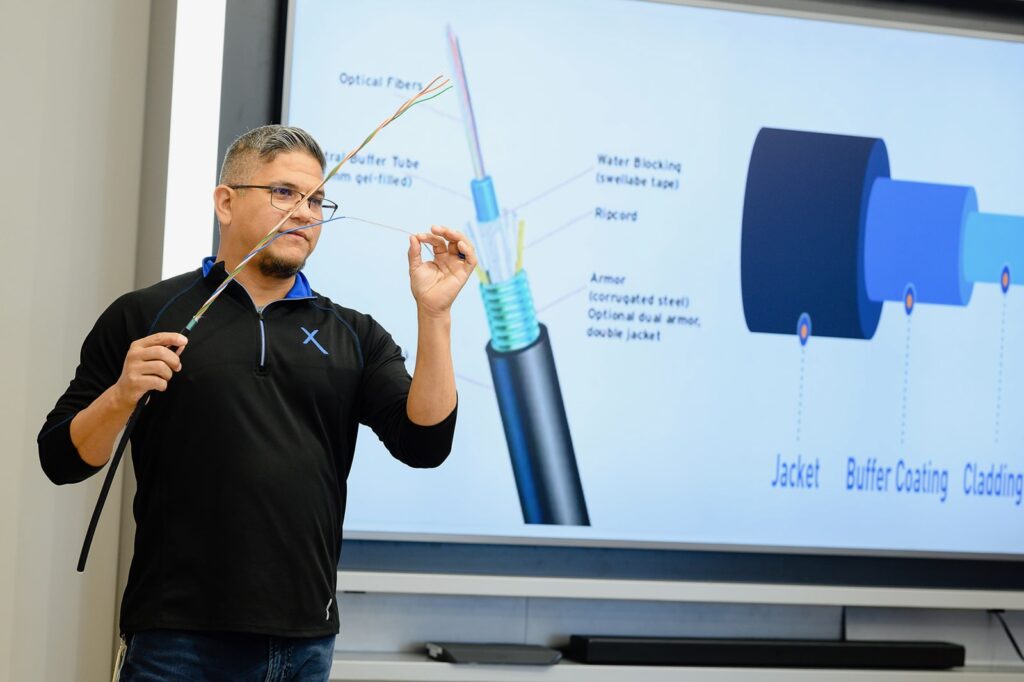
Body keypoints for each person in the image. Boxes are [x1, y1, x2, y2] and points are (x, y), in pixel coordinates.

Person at [37, 125, 477, 680]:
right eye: (285, 193)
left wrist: (434, 317)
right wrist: (121, 396)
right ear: (226, 201)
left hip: (303, 641)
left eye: (317, 199)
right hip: (176, 636)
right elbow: (61, 459)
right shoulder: (144, 315)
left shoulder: (354, 333)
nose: (304, 212)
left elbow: (425, 444)